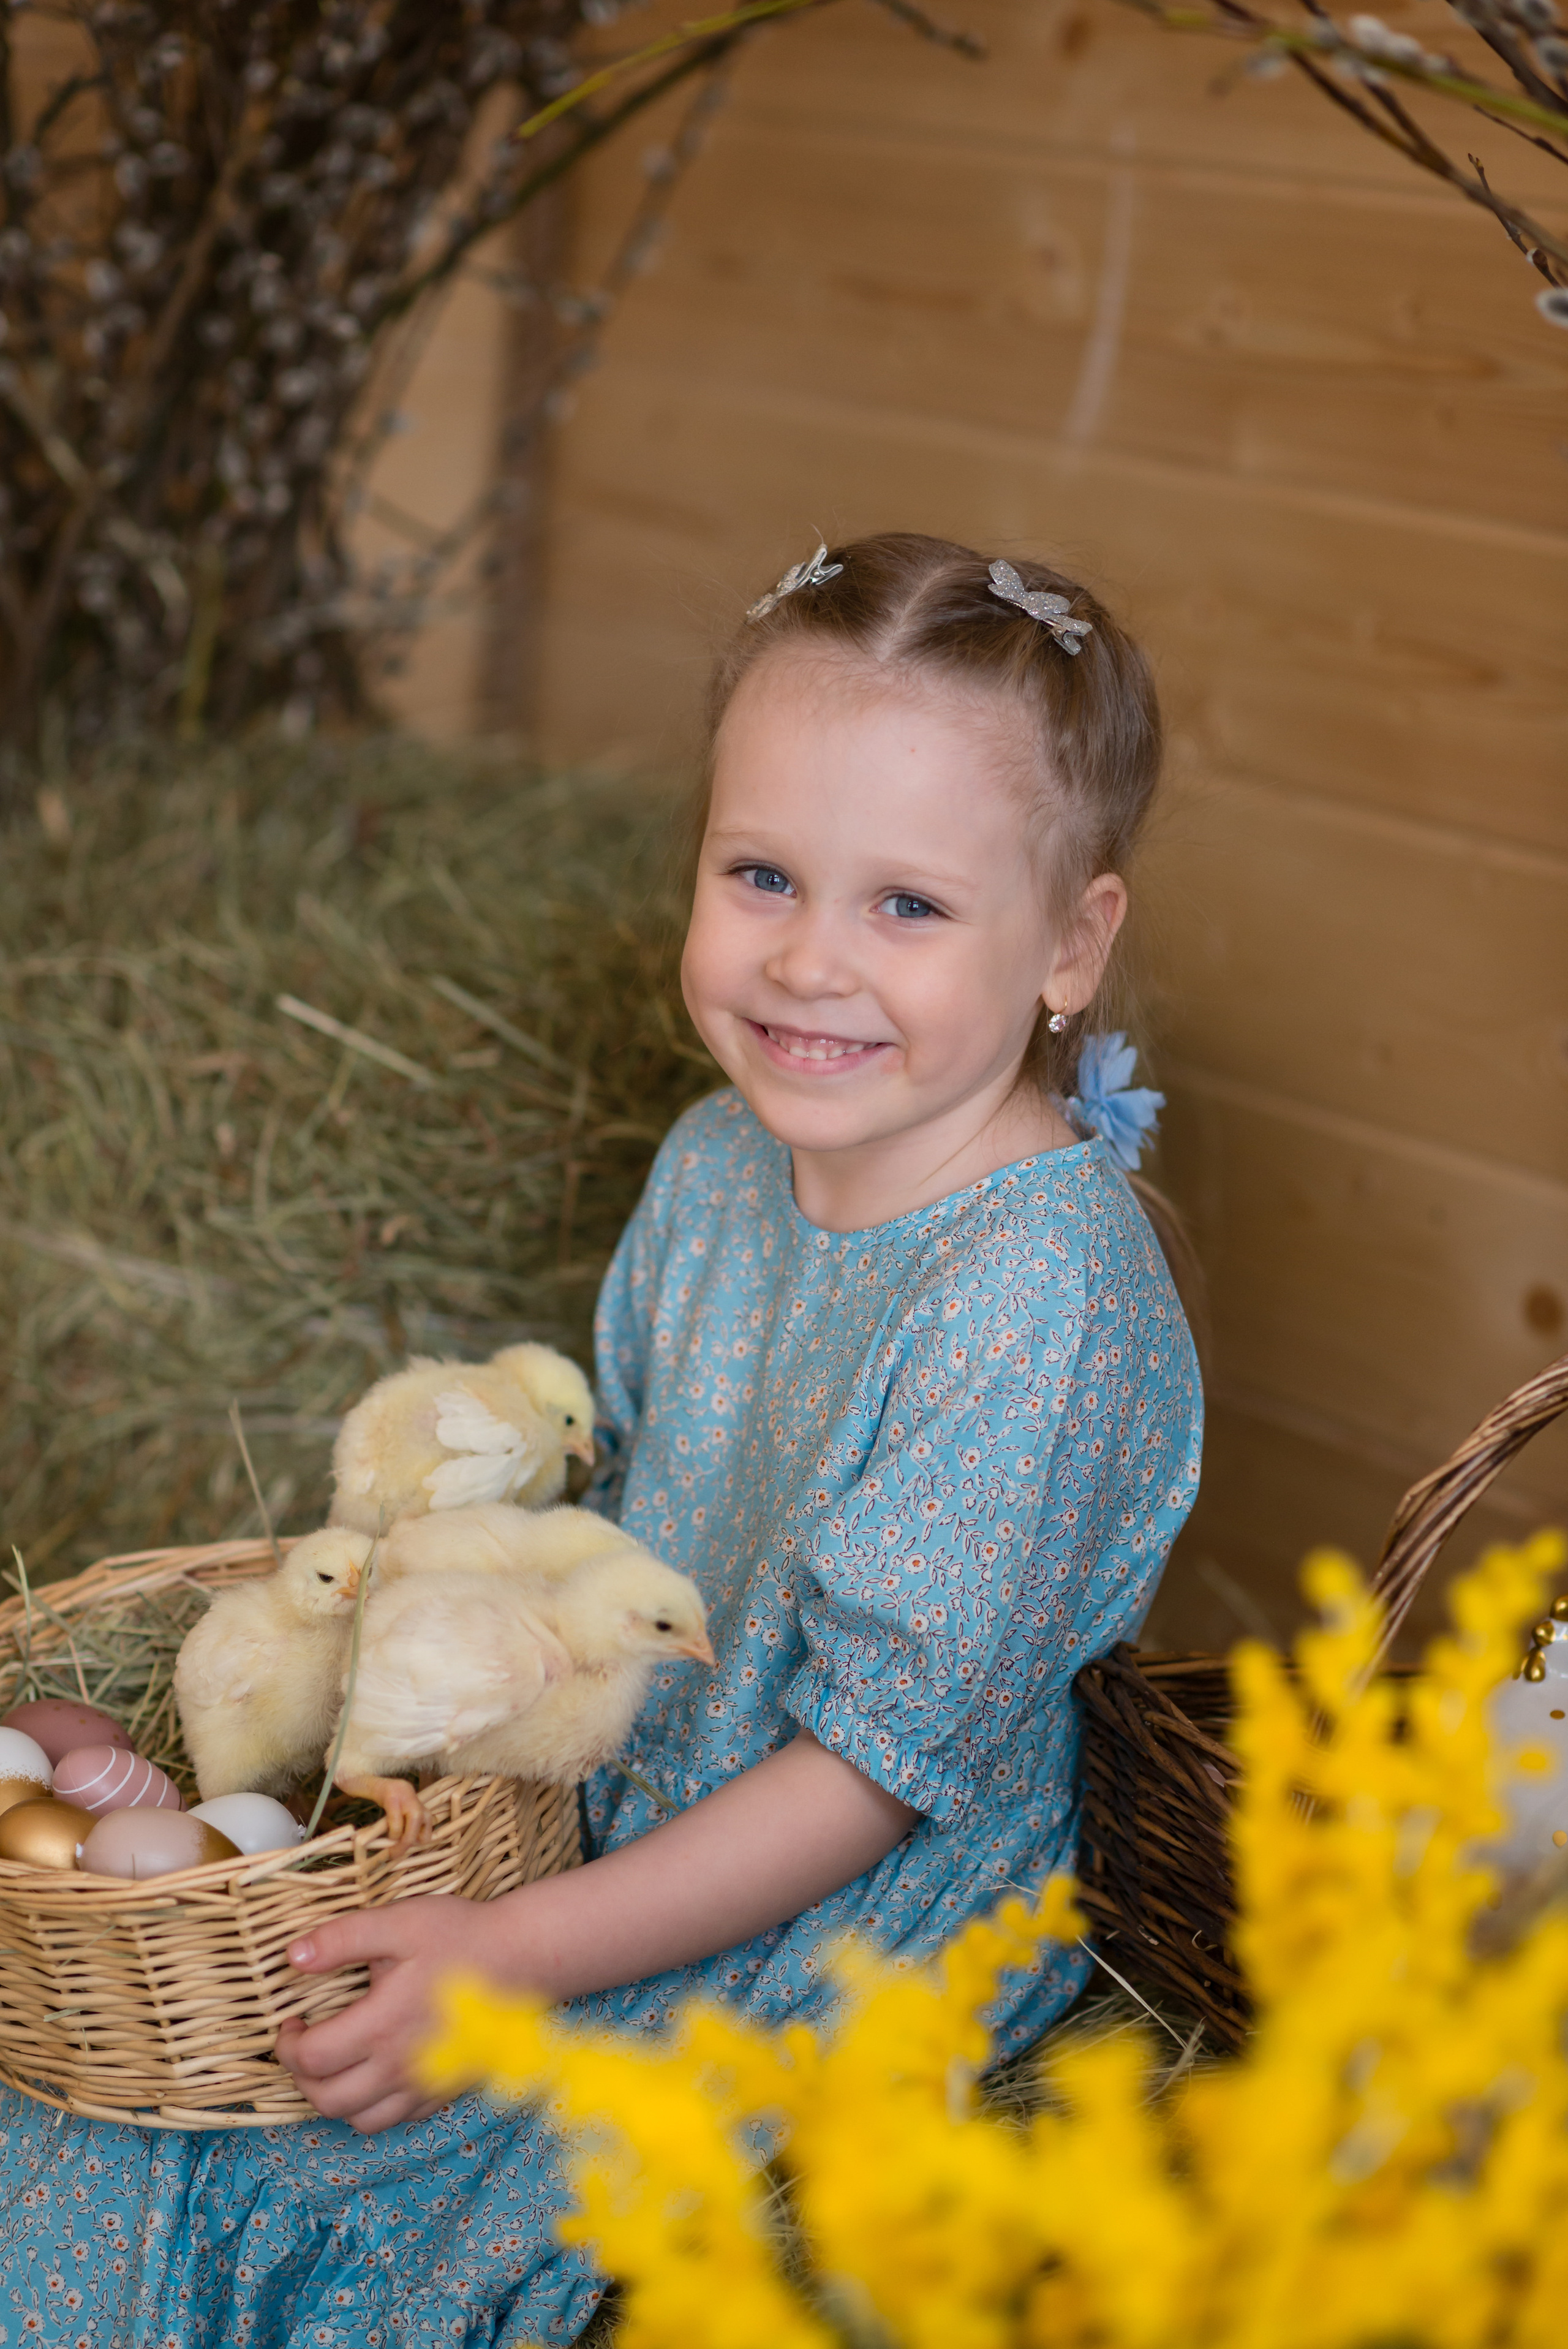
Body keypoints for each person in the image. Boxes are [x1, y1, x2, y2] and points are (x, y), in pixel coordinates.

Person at [0, 532, 1202, 2344]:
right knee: (178, 2042)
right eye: (764, 873)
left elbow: (870, 1774)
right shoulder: (722, 1161)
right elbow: (613, 1510)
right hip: (624, 1759)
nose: (809, 959)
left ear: (1071, 944)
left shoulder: (1042, 1292)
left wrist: (503, 1956)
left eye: (909, 906)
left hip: (839, 1880)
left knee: (283, 2157)